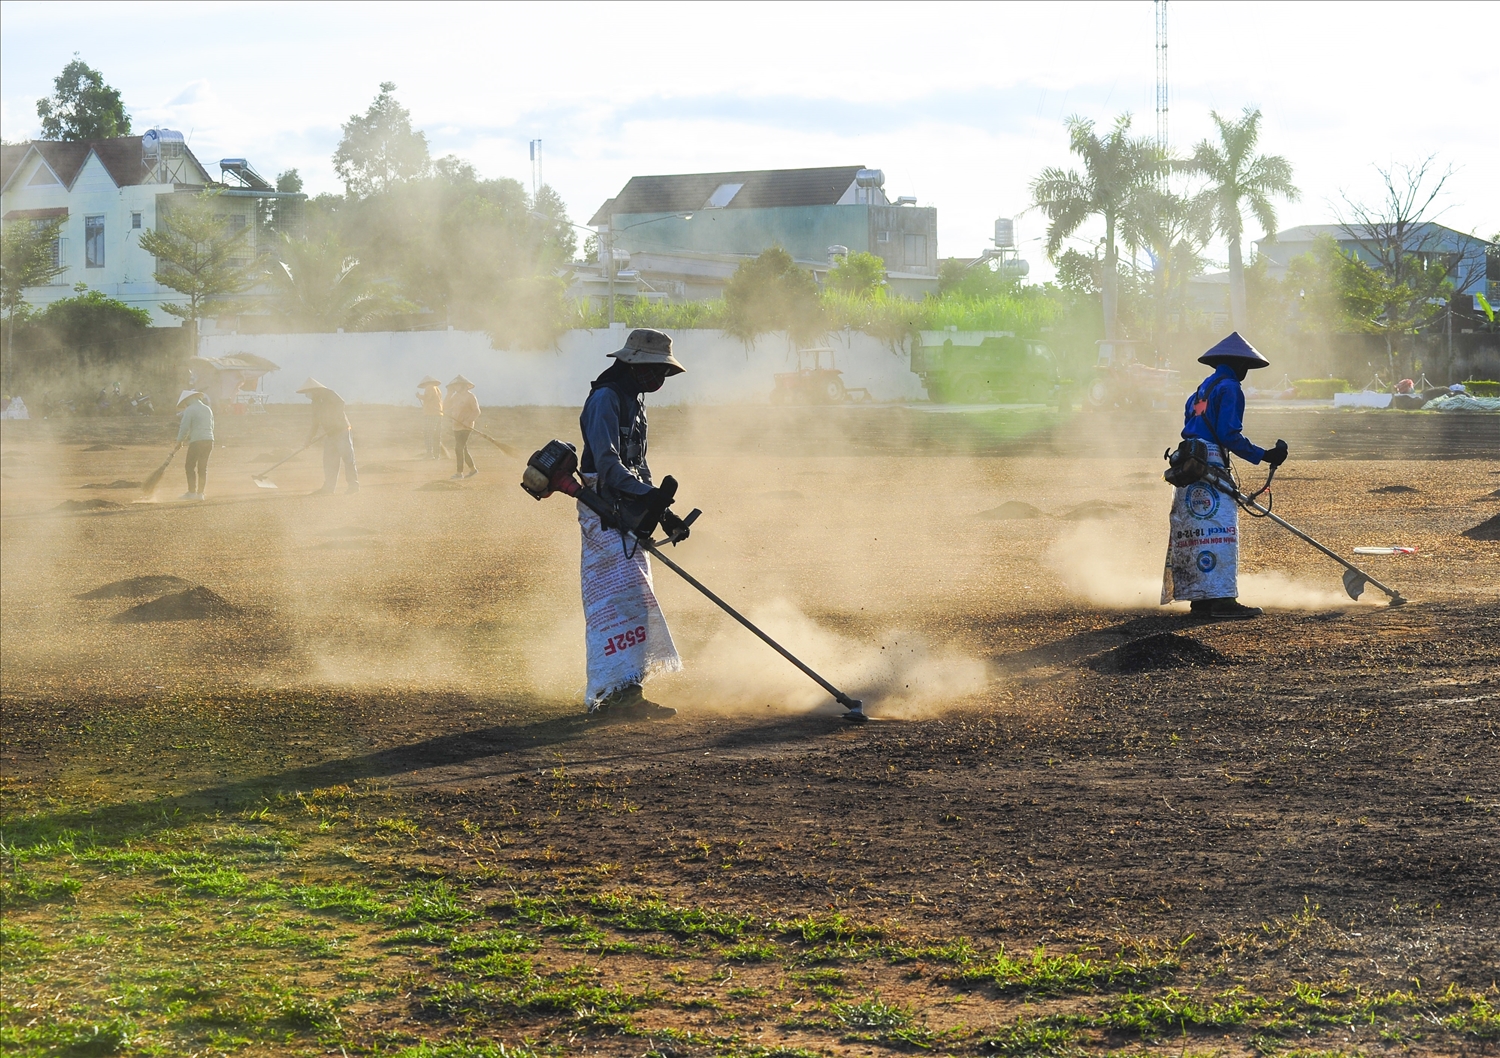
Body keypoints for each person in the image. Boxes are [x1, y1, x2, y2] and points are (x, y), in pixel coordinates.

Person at [578, 328, 687, 719]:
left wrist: (662, 509)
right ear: (633, 364)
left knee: (636, 602)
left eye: (663, 371)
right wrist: (647, 497)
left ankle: (627, 690)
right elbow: (607, 465)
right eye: (654, 369)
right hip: (603, 511)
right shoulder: (606, 399)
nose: (659, 379)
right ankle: (618, 694)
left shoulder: (635, 403)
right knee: (619, 603)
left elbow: (638, 467)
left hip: (628, 508)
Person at [1162, 332, 1288, 619]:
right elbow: (1228, 434)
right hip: (1211, 464)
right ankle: (1221, 601)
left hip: (1190, 463)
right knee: (1220, 531)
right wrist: (1265, 455)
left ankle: (1201, 600)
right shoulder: (1230, 388)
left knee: (1197, 533)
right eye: (1245, 366)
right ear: (1237, 364)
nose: (1246, 372)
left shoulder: (1200, 391)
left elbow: (1194, 426)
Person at [296, 377, 359, 495]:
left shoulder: (329, 394)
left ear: (315, 390)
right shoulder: (315, 403)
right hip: (330, 434)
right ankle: (329, 488)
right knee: (329, 461)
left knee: (348, 459)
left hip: (342, 431)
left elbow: (341, 403)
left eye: (308, 393)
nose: (308, 395)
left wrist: (336, 420)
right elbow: (315, 423)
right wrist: (308, 440)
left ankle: (353, 486)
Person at [176, 389, 213, 500]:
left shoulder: (190, 410)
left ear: (188, 400)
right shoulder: (208, 409)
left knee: (189, 466)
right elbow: (212, 426)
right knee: (202, 467)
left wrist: (179, 441)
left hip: (197, 441)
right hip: (209, 440)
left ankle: (192, 492)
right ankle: (200, 494)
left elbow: (184, 427)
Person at [446, 375, 480, 479]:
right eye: (454, 386)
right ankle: (473, 470)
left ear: (463, 385)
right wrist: (449, 394)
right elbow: (445, 406)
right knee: (463, 449)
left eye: (457, 385)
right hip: (456, 426)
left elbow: (477, 411)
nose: (455, 387)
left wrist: (467, 421)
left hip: (466, 427)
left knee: (458, 448)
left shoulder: (470, 396)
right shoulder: (455, 397)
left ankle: (459, 473)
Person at [417, 376, 444, 459]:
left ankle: (429, 454)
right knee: (437, 435)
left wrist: (419, 396)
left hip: (431, 413)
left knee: (428, 433)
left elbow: (427, 398)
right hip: (439, 413)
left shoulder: (429, 387)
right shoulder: (437, 389)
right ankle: (437, 454)